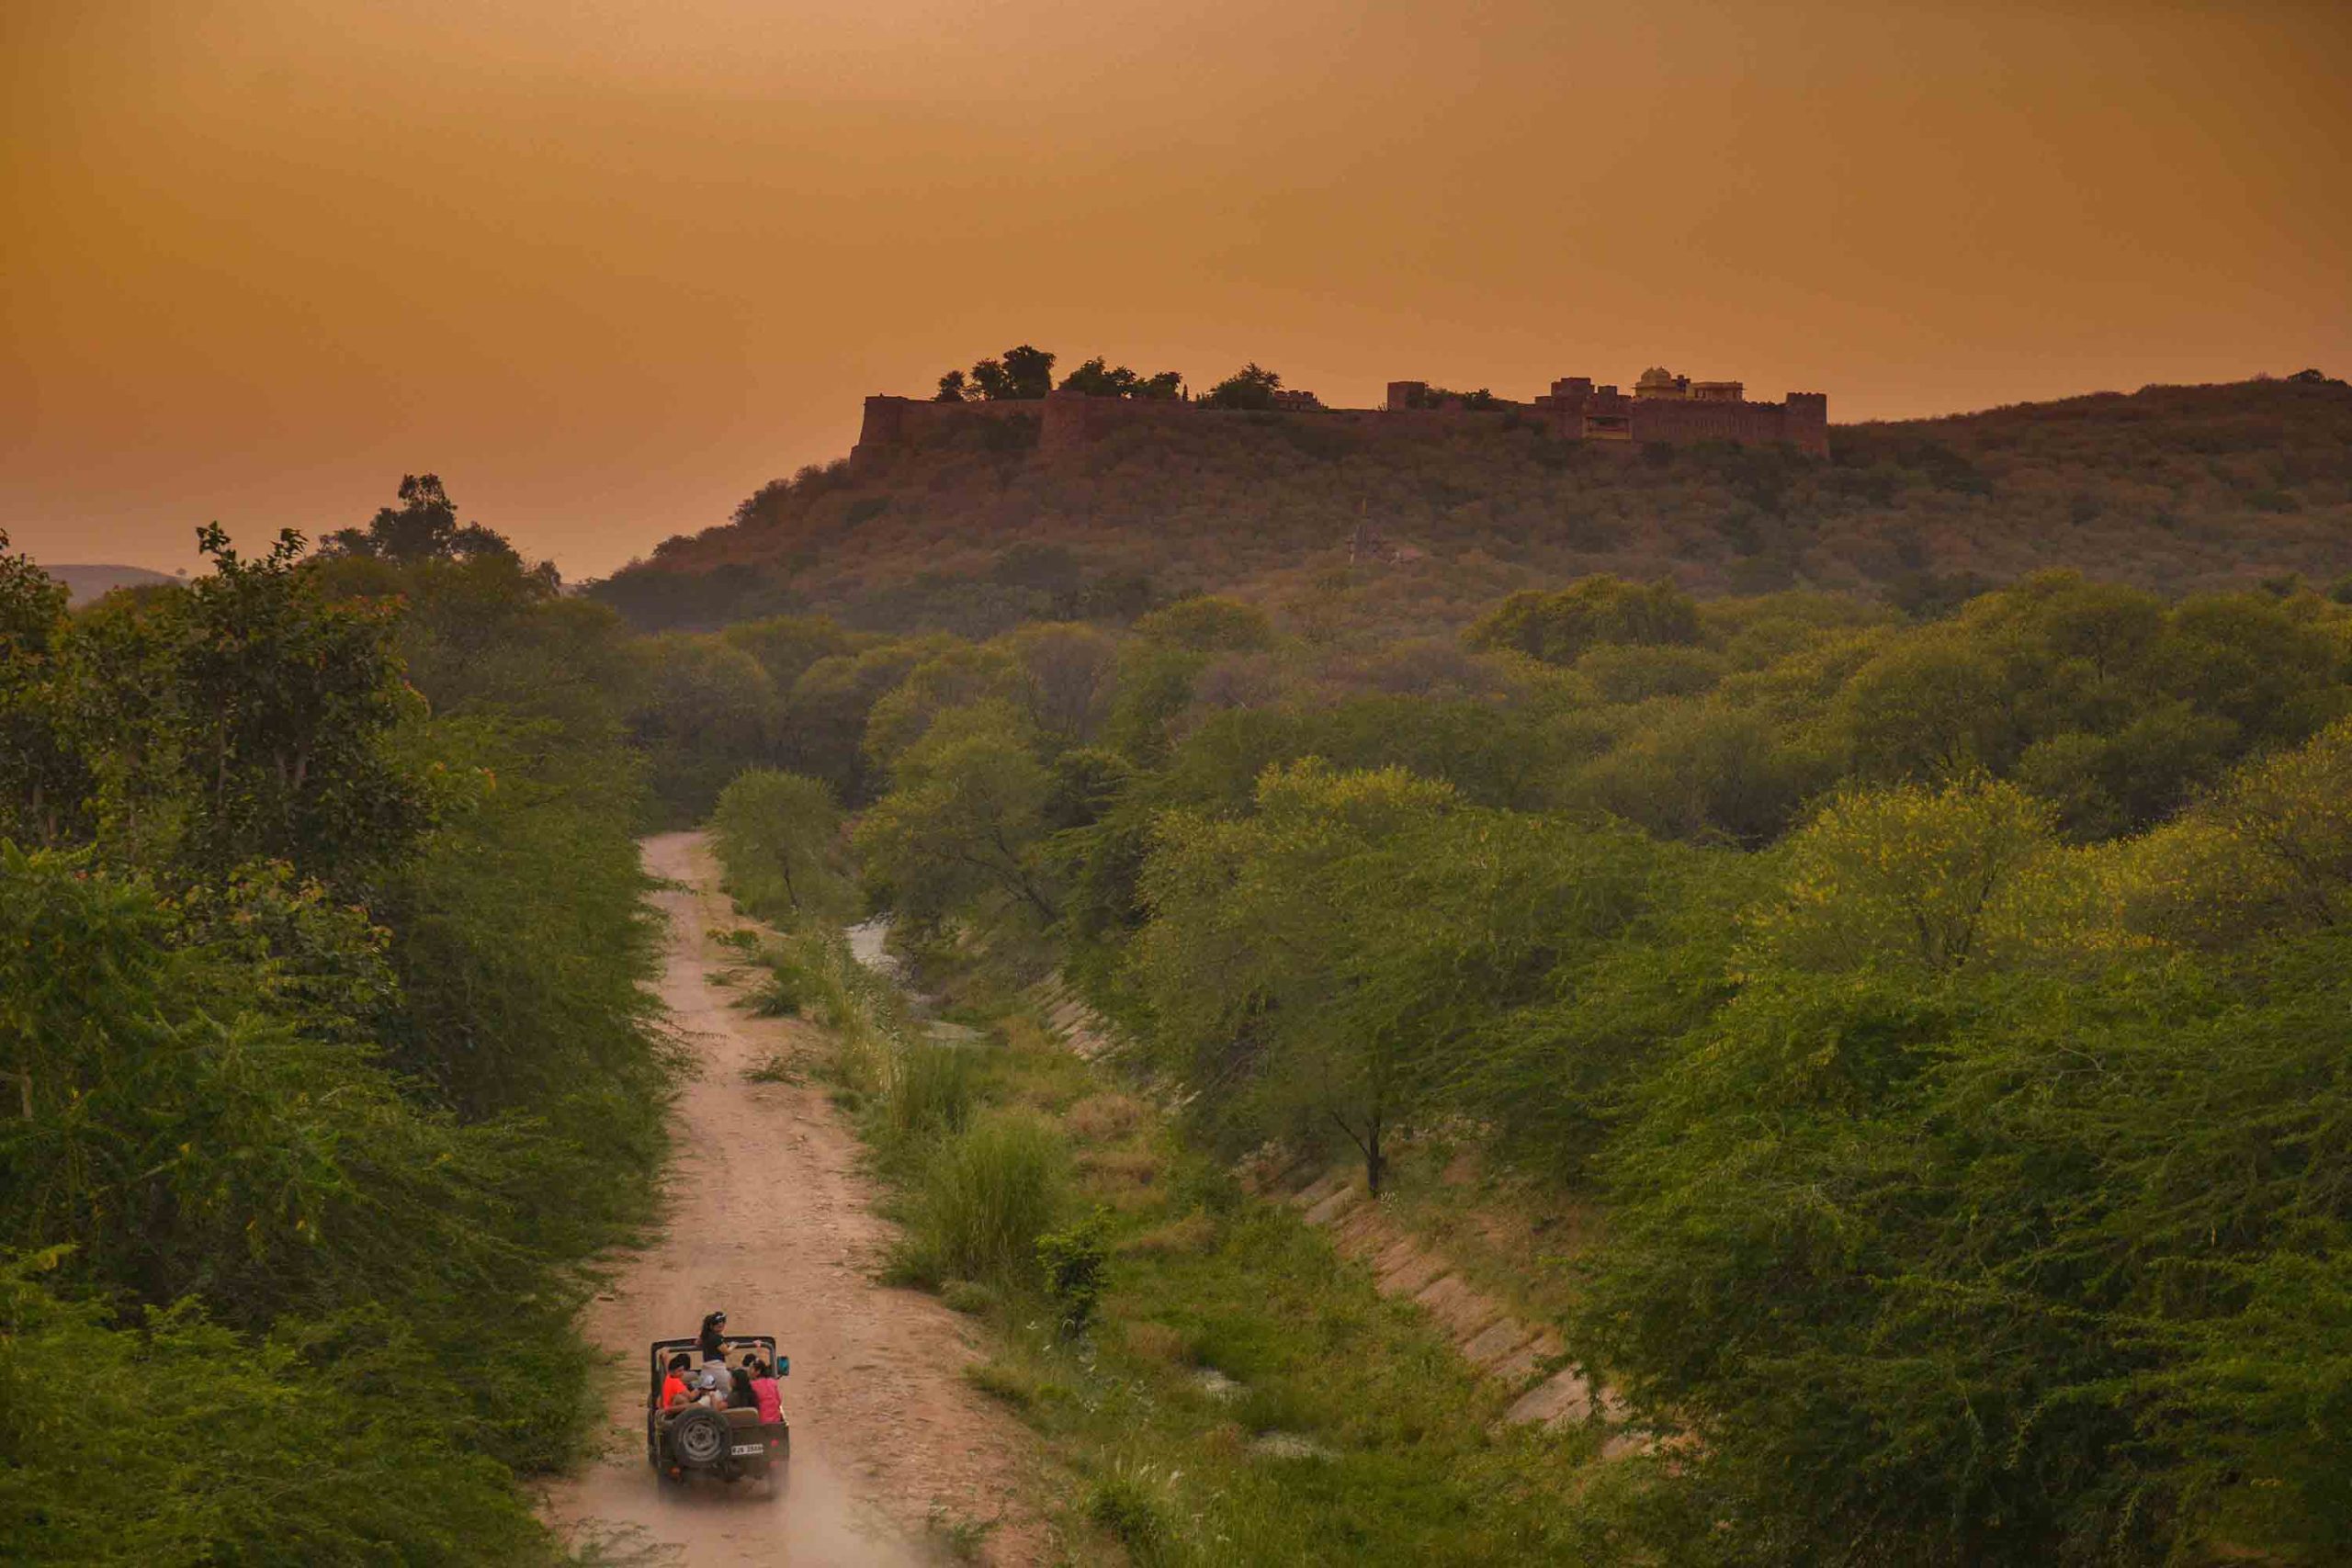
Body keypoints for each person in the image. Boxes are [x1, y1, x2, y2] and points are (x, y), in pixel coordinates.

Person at [747, 1358, 783, 1425]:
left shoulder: (752, 1385)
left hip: (761, 1420)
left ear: (758, 1371)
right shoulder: (773, 1382)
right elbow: (779, 1400)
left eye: (751, 1369)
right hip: (776, 1420)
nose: (749, 1371)